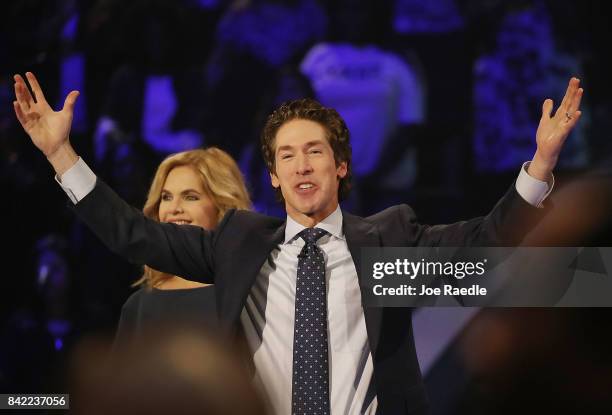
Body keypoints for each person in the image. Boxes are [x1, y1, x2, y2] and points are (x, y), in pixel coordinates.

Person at [14, 71, 582, 414]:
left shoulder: (385, 247)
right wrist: (61, 155)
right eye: (287, 155)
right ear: (274, 176)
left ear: (340, 167)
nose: (302, 164)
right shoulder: (239, 244)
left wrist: (541, 164)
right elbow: (130, 232)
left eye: (314, 151)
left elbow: (487, 248)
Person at [114, 148, 251, 349]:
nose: (174, 208)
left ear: (222, 208)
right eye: (166, 197)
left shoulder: (248, 296)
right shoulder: (139, 306)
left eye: (190, 197)